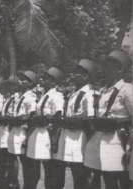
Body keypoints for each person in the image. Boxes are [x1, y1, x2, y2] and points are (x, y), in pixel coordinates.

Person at [84, 50, 132, 189]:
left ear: (120, 69)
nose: (104, 69)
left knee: (116, 182)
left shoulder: (126, 90)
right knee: (101, 179)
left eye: (108, 65)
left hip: (117, 142)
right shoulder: (103, 91)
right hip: (99, 140)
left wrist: (131, 148)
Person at [53, 59, 99, 189]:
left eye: (77, 73)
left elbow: (90, 119)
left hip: (80, 137)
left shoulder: (88, 94)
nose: (72, 75)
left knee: (79, 173)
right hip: (67, 136)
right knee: (62, 170)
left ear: (85, 76)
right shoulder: (73, 93)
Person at [26, 67, 65, 189]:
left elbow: (58, 114)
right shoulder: (43, 95)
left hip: (48, 133)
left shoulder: (56, 95)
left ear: (54, 82)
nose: (43, 79)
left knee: (51, 169)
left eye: (47, 78)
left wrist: (50, 125)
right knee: (34, 165)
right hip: (39, 133)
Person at [7, 70, 38, 189]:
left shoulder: (31, 97)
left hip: (24, 131)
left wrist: (28, 134)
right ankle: (16, 184)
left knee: (28, 164)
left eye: (23, 79)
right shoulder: (20, 96)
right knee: (17, 159)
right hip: (16, 130)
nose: (19, 81)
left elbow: (32, 116)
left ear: (30, 83)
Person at [0, 75, 21, 188]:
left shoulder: (17, 97)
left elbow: (14, 114)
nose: (9, 87)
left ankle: (14, 180)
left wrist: (5, 118)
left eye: (11, 85)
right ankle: (5, 178)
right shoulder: (9, 97)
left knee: (11, 157)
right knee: (4, 156)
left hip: (9, 127)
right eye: (8, 85)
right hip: (3, 129)